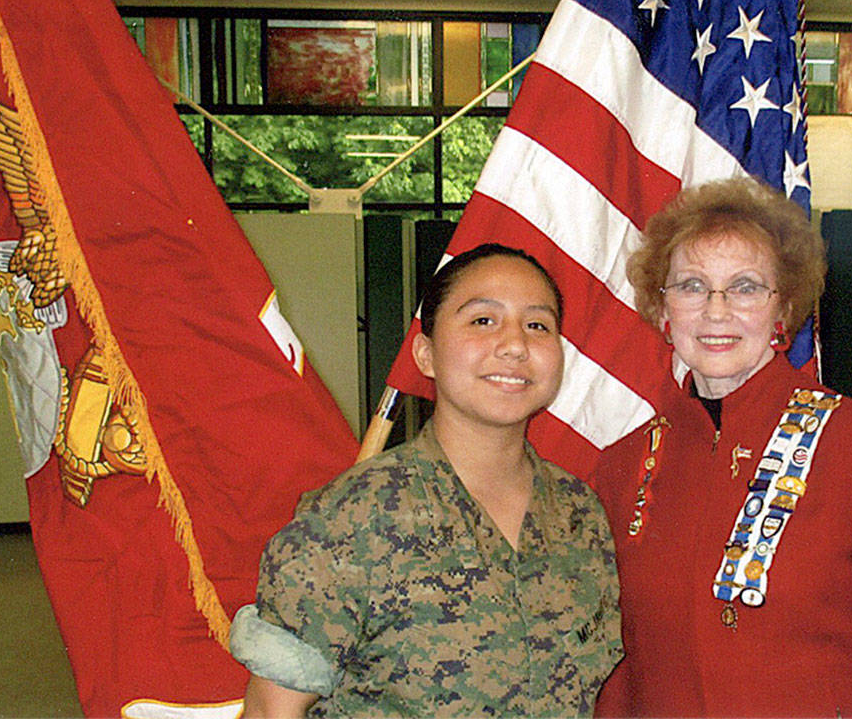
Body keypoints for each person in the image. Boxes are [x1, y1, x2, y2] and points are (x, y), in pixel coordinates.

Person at [593, 177, 852, 718]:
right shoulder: (622, 467)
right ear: (663, 311)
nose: (716, 310)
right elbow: (618, 669)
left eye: (744, 287)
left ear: (782, 308)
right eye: (691, 285)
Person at [229, 243, 623, 718]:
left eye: (537, 325)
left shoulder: (581, 515)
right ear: (426, 354)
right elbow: (273, 711)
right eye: (483, 320)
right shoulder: (352, 519)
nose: (515, 344)